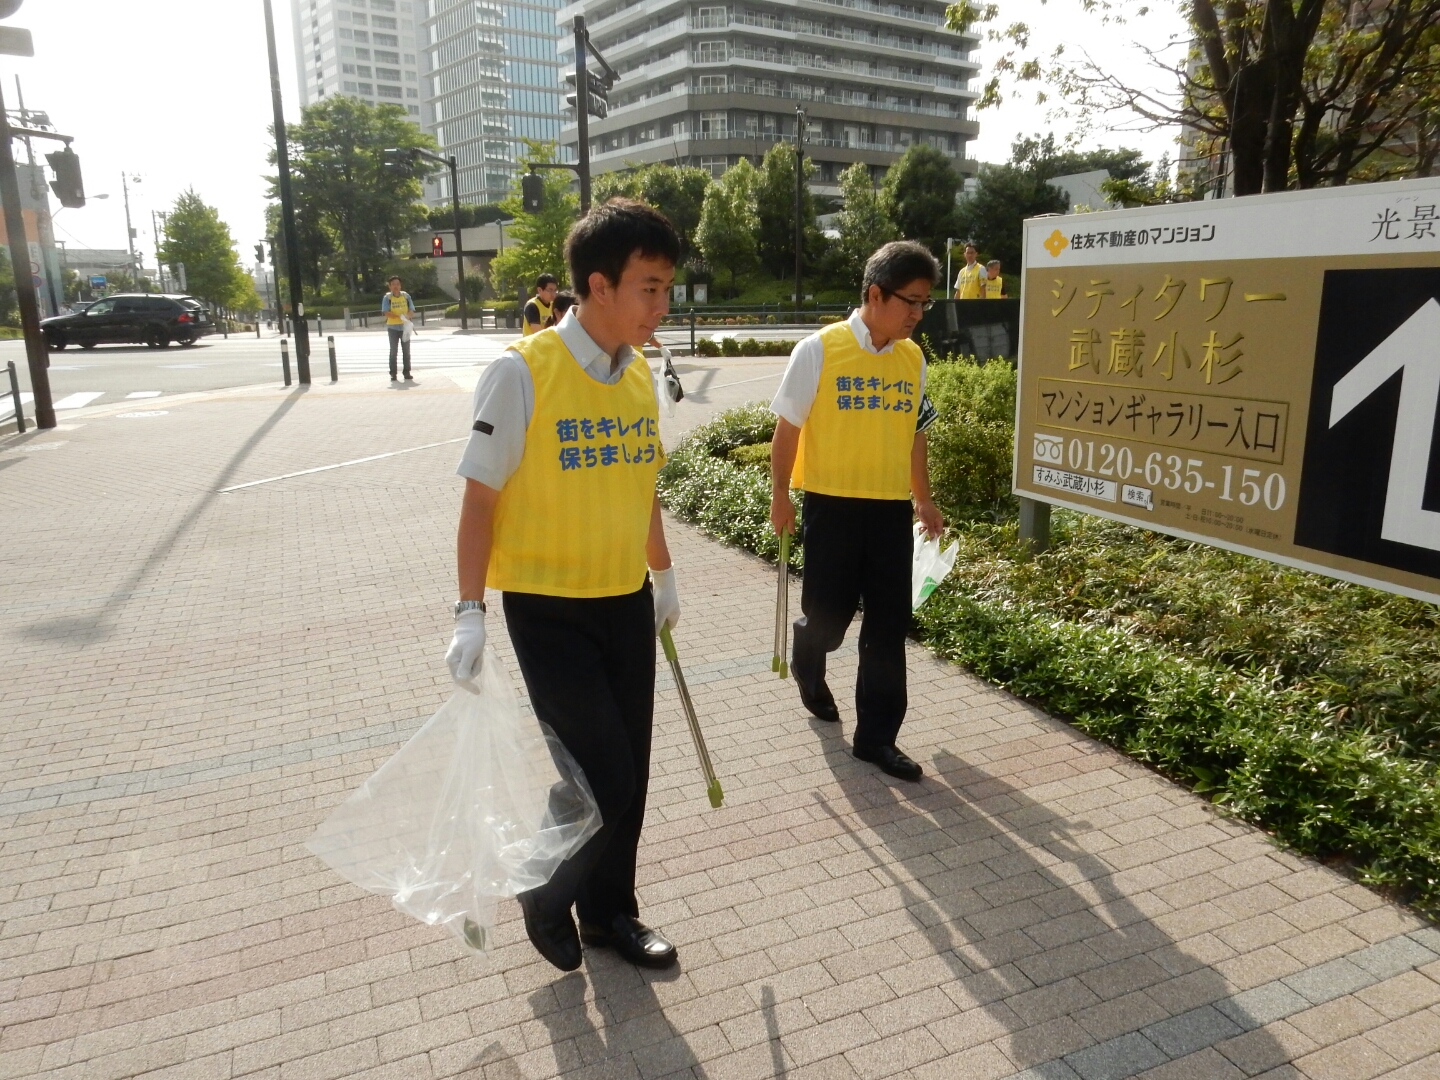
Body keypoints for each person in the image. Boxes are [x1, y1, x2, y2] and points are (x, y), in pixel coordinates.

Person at [445, 199, 683, 972]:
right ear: (597, 286)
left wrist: (663, 573)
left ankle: (611, 913)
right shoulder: (522, 373)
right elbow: (479, 498)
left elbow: (641, 479)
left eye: (666, 287)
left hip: (622, 599)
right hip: (548, 611)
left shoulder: (639, 374)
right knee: (600, 775)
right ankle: (543, 889)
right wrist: (469, 612)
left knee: (632, 773)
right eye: (648, 287)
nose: (661, 304)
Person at [769, 240, 945, 782]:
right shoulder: (819, 350)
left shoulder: (912, 357)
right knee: (829, 619)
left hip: (890, 513)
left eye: (924, 304)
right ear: (875, 294)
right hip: (832, 508)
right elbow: (788, 429)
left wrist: (924, 497)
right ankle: (808, 655)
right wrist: (781, 496)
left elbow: (915, 434)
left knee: (889, 629)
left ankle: (876, 739)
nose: (918, 314)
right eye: (910, 302)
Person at [382, 276, 416, 381]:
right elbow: (386, 312)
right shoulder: (387, 298)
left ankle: (407, 372)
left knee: (406, 350)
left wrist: (407, 316)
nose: (396, 286)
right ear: (390, 286)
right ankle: (393, 373)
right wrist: (398, 316)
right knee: (394, 351)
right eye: (393, 284)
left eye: (398, 284)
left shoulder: (406, 296)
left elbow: (412, 309)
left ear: (400, 285)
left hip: (405, 327)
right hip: (392, 327)